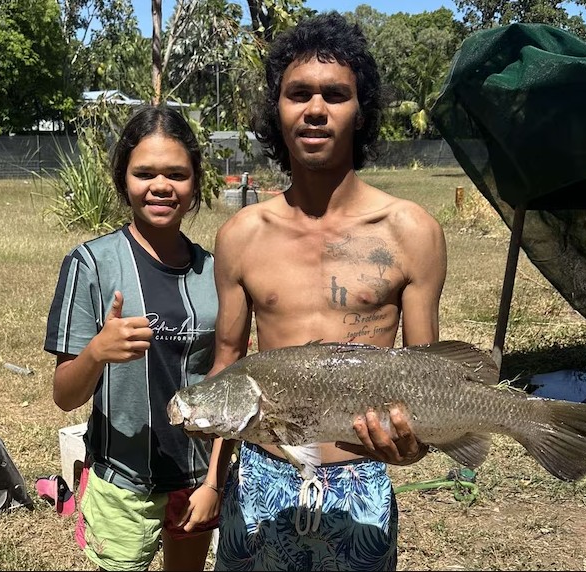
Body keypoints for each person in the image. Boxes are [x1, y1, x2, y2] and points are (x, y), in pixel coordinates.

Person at [195, 12, 448, 571]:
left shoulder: (411, 232)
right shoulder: (241, 237)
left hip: (359, 483)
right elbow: (228, 364)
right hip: (262, 478)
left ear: (361, 113)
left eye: (335, 95)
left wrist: (415, 445)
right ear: (277, 109)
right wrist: (214, 480)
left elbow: (426, 373)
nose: (315, 109)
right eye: (298, 93)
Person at [44, 106, 221, 572]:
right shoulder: (91, 265)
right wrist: (98, 351)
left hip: (197, 480)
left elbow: (228, 381)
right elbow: (65, 395)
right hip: (122, 481)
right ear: (123, 179)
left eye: (177, 174)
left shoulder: (215, 273)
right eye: (144, 173)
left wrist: (215, 483)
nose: (160, 186)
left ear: (195, 182)